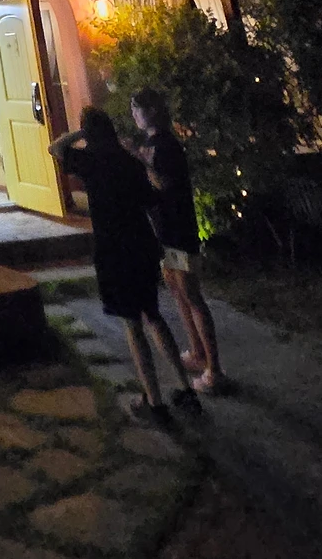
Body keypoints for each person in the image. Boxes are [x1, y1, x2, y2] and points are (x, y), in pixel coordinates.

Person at [50, 107, 200, 424]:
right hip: (142, 246)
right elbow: (153, 199)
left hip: (114, 250)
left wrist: (82, 134)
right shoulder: (128, 162)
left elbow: (56, 147)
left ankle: (154, 402)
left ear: (89, 133)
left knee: (132, 325)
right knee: (154, 316)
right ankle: (185, 389)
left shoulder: (90, 161)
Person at [131, 86, 227, 393]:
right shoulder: (149, 143)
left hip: (178, 231)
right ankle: (197, 353)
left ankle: (215, 370)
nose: (134, 114)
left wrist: (142, 162)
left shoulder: (167, 146)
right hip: (162, 230)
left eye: (137, 108)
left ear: (153, 111)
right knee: (176, 291)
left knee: (191, 294)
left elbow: (164, 185)